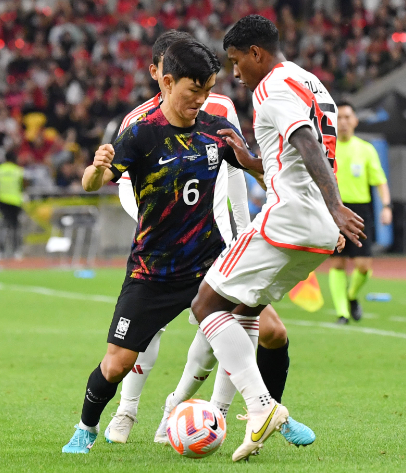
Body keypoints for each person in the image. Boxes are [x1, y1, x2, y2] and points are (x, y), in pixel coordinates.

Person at [164, 15, 365, 462]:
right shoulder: (310, 83)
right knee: (246, 307)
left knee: (205, 305)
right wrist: (252, 161)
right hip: (317, 229)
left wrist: (335, 204)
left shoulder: (271, 86)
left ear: (256, 53)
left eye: (236, 62)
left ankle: (261, 407)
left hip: (289, 217)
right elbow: (293, 155)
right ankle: (250, 418)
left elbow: (306, 142)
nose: (235, 73)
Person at [106, 31, 313, 448]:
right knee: (152, 328)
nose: (194, 86)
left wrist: (243, 229)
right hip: (165, 245)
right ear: (159, 74)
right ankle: (127, 410)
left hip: (223, 239)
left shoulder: (219, 108)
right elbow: (126, 187)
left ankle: (201, 412)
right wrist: (162, 227)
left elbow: (236, 167)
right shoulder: (137, 124)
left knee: (257, 327)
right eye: (175, 71)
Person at [61, 38, 265, 455]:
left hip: (208, 264)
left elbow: (252, 172)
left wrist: (265, 175)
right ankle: (87, 426)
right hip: (152, 270)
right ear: (167, 82)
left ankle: (264, 409)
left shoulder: (214, 130)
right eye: (195, 91)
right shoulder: (141, 135)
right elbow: (93, 183)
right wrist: (95, 170)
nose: (202, 100)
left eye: (208, 90)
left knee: (260, 323)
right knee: (116, 363)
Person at [328, 103, 391, 324]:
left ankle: (351, 295)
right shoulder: (328, 148)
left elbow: (380, 181)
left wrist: (386, 206)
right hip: (336, 209)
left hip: (361, 211)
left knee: (364, 265)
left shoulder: (366, 149)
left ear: (355, 120)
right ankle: (342, 313)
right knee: (337, 263)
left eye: (347, 117)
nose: (343, 122)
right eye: (339, 118)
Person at [0, 151, 24, 259]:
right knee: (15, 227)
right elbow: (22, 186)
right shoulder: (18, 171)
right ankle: (16, 251)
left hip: (2, 201)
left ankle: (0, 250)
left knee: (3, 226)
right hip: (15, 201)